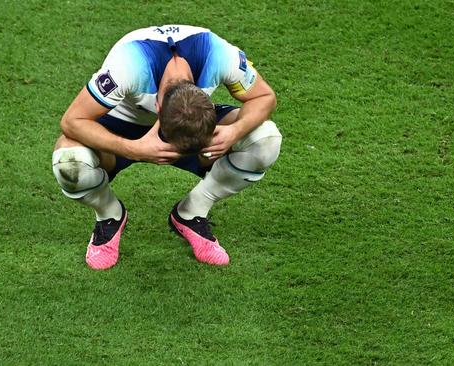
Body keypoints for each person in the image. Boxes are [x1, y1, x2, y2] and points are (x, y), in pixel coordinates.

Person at [52, 25, 282, 270]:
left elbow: (264, 96)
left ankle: (191, 212)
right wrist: (131, 148)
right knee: (69, 161)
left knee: (265, 140)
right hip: (120, 125)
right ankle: (109, 215)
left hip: (193, 123)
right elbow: (71, 121)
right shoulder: (127, 67)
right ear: (157, 110)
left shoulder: (220, 55)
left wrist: (234, 131)